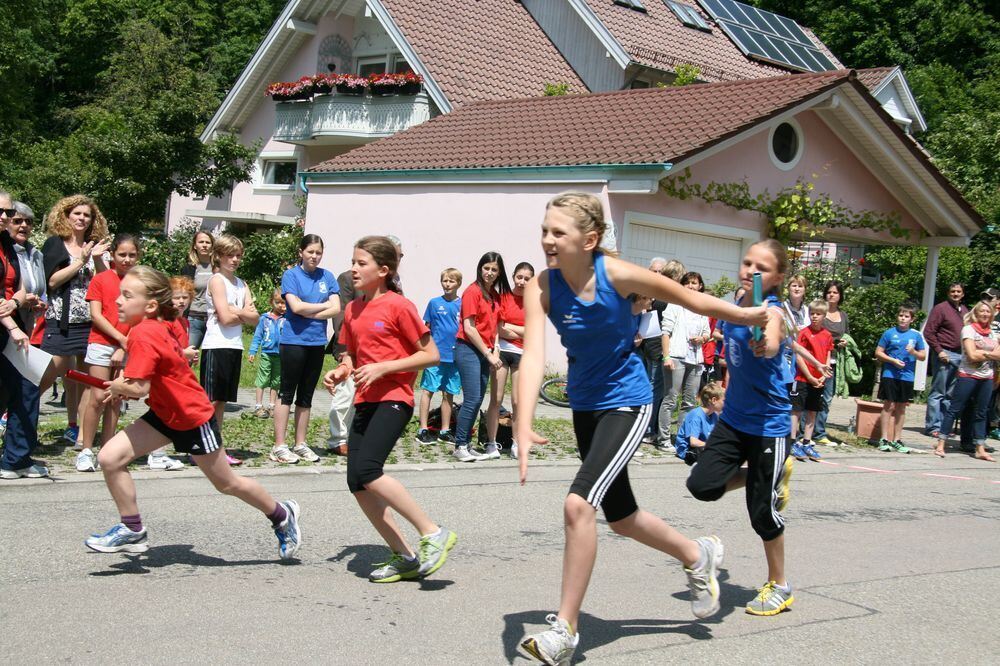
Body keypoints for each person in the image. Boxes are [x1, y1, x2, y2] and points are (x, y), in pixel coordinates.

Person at [515, 192, 768, 664]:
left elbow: (690, 297)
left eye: (558, 232)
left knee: (578, 505)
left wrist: (747, 314)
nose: (547, 240)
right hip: (586, 406)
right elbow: (531, 357)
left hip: (628, 403)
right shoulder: (542, 286)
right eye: (544, 230)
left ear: (589, 239)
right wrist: (522, 424)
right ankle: (697, 554)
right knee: (622, 517)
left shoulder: (617, 274)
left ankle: (565, 630)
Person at [84, 265, 301, 558]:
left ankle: (281, 515)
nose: (118, 301)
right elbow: (151, 379)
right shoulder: (148, 328)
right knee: (110, 458)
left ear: (149, 305)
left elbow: (140, 388)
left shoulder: (143, 333)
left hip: (192, 417)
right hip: (165, 413)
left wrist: (121, 386)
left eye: (126, 295)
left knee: (227, 483)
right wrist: (124, 384)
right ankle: (132, 529)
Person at [322, 236, 457, 583]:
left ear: (383, 270)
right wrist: (342, 370)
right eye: (353, 261)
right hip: (365, 399)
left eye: (361, 263)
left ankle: (432, 532)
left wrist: (384, 367)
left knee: (368, 469)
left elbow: (430, 355)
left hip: (395, 397)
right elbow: (351, 356)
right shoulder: (352, 309)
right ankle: (405, 556)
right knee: (357, 481)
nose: (353, 268)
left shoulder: (400, 306)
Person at [686, 238, 797, 618]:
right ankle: (766, 477)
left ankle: (780, 586)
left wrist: (765, 344)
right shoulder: (737, 304)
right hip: (733, 420)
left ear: (778, 277)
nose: (750, 270)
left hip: (769, 425)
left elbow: (772, 338)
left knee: (762, 515)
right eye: (747, 262)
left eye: (761, 267)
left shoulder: (772, 310)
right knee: (702, 485)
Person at [39, 195, 111, 445]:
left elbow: (107, 282)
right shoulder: (55, 245)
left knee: (86, 382)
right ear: (65, 216)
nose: (81, 219)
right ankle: (16, 417)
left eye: (86, 215)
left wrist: (98, 259)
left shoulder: (96, 246)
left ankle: (81, 434)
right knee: (46, 376)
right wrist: (80, 261)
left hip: (91, 323)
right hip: (61, 322)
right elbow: (51, 281)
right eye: (77, 214)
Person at [77, 234, 140, 472]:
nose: (126, 259)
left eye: (131, 255)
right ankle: (86, 450)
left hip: (129, 346)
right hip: (102, 343)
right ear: (112, 255)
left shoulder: (140, 282)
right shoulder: (102, 279)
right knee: (98, 397)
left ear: (138, 256)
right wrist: (120, 340)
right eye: (122, 255)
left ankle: (108, 451)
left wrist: (126, 345)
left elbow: (143, 317)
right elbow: (96, 315)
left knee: (116, 399)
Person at [275, 234, 340, 463]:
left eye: (318, 252)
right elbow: (295, 306)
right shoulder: (291, 275)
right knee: (286, 393)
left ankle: (300, 443)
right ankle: (279, 445)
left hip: (316, 342)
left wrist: (308, 310)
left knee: (306, 395)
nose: (314, 256)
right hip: (293, 342)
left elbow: (337, 308)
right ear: (301, 252)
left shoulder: (328, 276)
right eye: (310, 251)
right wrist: (322, 306)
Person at [0, 192, 48, 479]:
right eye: (4, 213)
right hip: (11, 328)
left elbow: (16, 290)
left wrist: (20, 302)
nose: (6, 218)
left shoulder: (8, 246)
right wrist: (13, 323)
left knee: (27, 388)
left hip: (11, 329)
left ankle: (17, 459)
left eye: (8, 212)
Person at [200, 234, 258, 465]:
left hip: (234, 346)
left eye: (238, 256)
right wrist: (240, 313)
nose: (234, 260)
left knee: (222, 401)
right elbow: (224, 317)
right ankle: (203, 448)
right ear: (219, 256)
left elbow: (255, 318)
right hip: (216, 344)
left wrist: (240, 312)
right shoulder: (217, 280)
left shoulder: (242, 284)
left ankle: (216, 448)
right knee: (210, 401)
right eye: (229, 255)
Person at [452, 251, 511, 462]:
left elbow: (495, 328)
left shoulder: (495, 296)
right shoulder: (472, 291)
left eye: (494, 269)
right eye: (486, 268)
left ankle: (466, 443)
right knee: (473, 398)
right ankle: (459, 445)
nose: (489, 272)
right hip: (468, 348)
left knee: (477, 400)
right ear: (480, 268)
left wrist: (495, 349)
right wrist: (488, 353)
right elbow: (469, 328)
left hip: (485, 351)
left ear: (499, 272)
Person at [934, 301, 1000, 461]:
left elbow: (998, 355)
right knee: (955, 409)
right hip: (967, 375)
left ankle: (980, 448)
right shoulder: (968, 330)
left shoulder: (994, 333)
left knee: (981, 412)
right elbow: (971, 355)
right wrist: (989, 353)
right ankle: (941, 444)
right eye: (982, 311)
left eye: (987, 311)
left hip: (986, 377)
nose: (985, 314)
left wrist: (982, 353)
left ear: (991, 314)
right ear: (975, 314)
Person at [485, 262, 534, 459]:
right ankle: (491, 443)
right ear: (513, 276)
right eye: (519, 277)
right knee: (496, 399)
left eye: (527, 279)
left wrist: (510, 329)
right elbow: (497, 327)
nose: (522, 282)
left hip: (522, 355)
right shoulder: (503, 296)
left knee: (517, 401)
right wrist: (517, 330)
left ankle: (516, 443)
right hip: (501, 352)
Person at [658, 271, 711, 451]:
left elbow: (707, 333)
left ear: (700, 286)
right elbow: (666, 332)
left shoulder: (702, 306)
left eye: (694, 283)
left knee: (689, 402)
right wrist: (666, 356)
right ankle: (663, 438)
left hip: (695, 359)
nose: (690, 286)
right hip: (676, 356)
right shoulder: (675, 304)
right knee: (671, 399)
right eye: (687, 283)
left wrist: (702, 339)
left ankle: (681, 438)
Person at [415, 268, 463, 445]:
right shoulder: (434, 303)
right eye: (445, 281)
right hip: (435, 356)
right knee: (428, 390)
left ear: (458, 283)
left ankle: (444, 430)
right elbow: (426, 327)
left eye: (451, 281)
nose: (447, 284)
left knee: (448, 394)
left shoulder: (463, 304)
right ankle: (423, 429)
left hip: (455, 356)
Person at [874, 304, 927, 454]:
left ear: (912, 319)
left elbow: (923, 356)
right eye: (901, 316)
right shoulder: (889, 333)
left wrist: (914, 352)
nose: (903, 319)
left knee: (901, 407)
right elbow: (878, 352)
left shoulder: (916, 336)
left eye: (907, 316)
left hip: (907, 376)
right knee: (888, 405)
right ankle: (883, 438)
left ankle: (897, 439)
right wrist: (892, 361)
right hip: (890, 374)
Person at [923, 283, 969, 437]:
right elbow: (929, 332)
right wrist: (939, 351)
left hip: (960, 355)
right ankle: (933, 427)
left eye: (958, 291)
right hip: (944, 354)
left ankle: (944, 426)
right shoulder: (940, 309)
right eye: (952, 291)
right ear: (948, 293)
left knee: (950, 394)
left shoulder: (964, 311)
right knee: (938, 392)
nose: (955, 294)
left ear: (963, 294)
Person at [790, 301, 834, 462]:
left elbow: (828, 355)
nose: (814, 317)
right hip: (802, 377)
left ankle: (807, 443)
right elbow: (799, 355)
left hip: (819, 379)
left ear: (824, 315)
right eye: (812, 313)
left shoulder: (827, 335)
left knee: (812, 411)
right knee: (796, 410)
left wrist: (824, 374)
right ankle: (792, 441)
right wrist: (809, 375)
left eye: (818, 314)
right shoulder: (803, 333)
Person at [811, 280, 849, 446]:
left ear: (840, 296)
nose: (832, 295)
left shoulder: (843, 316)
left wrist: (844, 343)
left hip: (834, 361)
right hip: (817, 360)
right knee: (812, 396)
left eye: (835, 292)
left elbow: (846, 335)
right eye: (829, 292)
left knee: (827, 398)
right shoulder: (818, 312)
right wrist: (833, 341)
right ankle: (805, 432)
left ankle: (819, 432)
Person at [637, 258, 669, 444]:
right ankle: (646, 428)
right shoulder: (644, 290)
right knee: (649, 388)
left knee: (657, 389)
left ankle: (650, 427)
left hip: (658, 348)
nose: (656, 274)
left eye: (660, 271)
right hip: (642, 347)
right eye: (654, 271)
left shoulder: (667, 294)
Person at [249, 288, 286, 419]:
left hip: (281, 355)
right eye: (278, 302)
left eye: (285, 303)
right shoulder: (264, 319)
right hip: (266, 353)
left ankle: (272, 405)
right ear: (271, 302)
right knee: (263, 379)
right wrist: (253, 351)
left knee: (276, 380)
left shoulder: (286, 319)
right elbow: (257, 336)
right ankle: (258, 405)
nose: (282, 306)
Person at [180, 230, 215, 348]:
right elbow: (182, 293)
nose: (204, 245)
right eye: (201, 242)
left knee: (210, 360)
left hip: (214, 319)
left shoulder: (218, 268)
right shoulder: (189, 268)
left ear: (212, 246)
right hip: (194, 318)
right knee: (187, 356)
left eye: (208, 242)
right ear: (195, 245)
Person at [675, 381, 724, 466]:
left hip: (704, 446)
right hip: (689, 451)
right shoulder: (696, 415)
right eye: (724, 401)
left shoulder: (714, 415)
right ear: (714, 400)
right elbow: (693, 442)